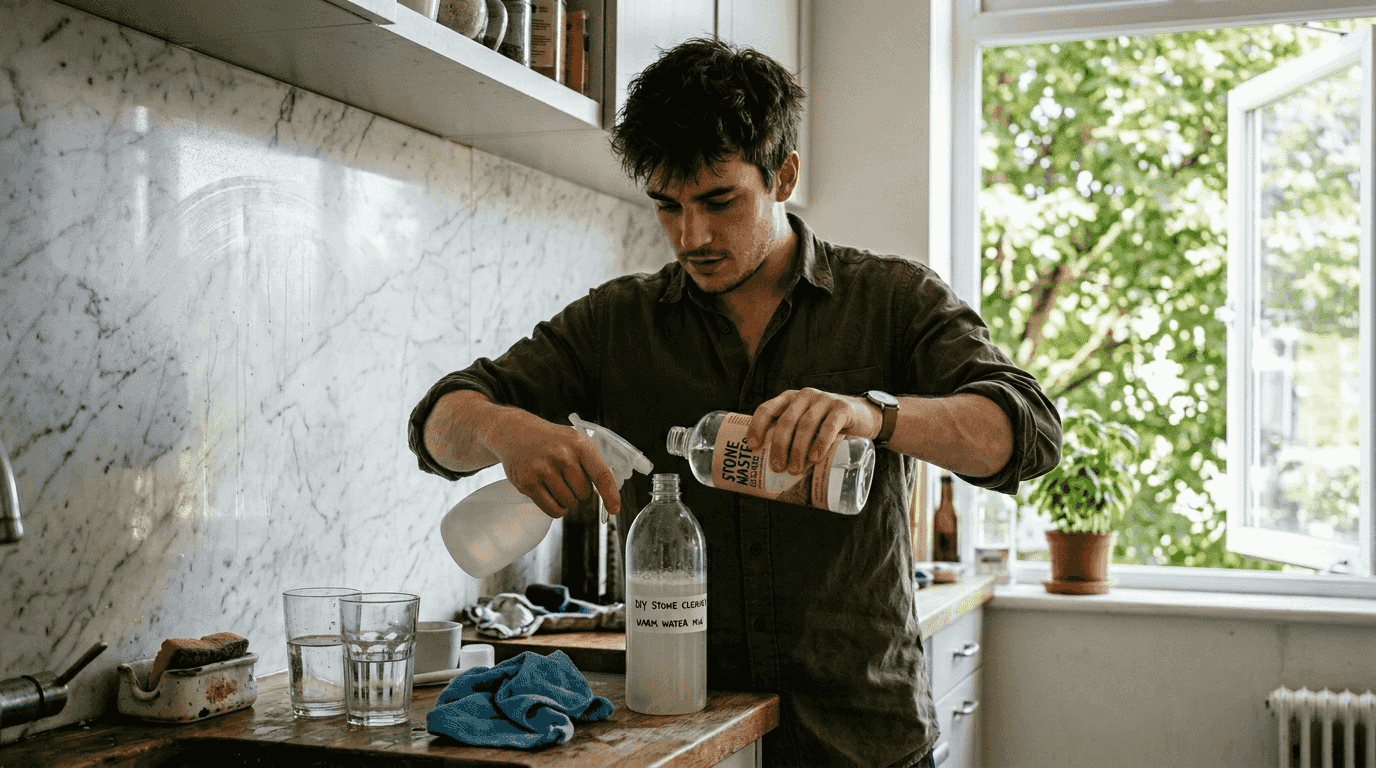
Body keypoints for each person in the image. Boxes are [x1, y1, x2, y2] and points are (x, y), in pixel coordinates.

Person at [408, 38, 1061, 768]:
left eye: (720, 201)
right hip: (694, 744)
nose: (692, 236)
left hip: (863, 741)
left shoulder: (891, 301)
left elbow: (1028, 432)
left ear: (783, 176)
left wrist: (875, 417)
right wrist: (502, 428)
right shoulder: (618, 322)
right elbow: (436, 424)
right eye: (667, 206)